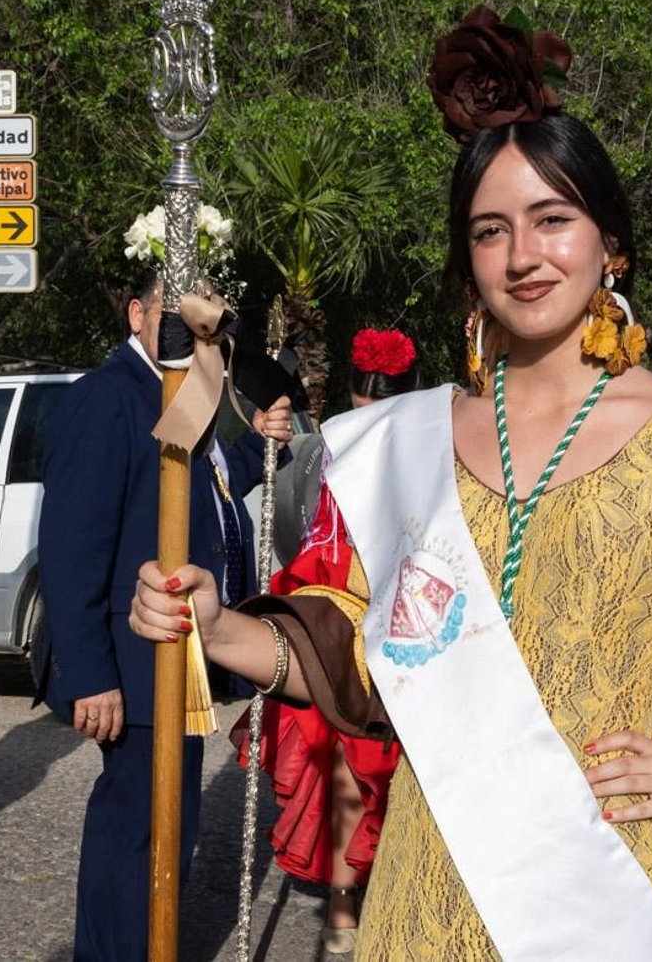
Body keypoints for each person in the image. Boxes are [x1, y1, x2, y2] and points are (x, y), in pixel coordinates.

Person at [129, 7, 652, 961]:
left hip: (606, 895)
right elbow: (364, 664)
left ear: (609, 242)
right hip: (421, 898)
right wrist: (218, 627)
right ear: (468, 263)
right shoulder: (407, 442)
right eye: (491, 231)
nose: (523, 255)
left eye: (553, 220)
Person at [35, 268, 293, 962]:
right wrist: (90, 673)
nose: (187, 333)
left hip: (180, 651)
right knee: (135, 833)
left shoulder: (183, 395)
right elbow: (71, 546)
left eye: (199, 322)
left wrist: (260, 442)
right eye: (172, 317)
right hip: (133, 658)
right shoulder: (107, 397)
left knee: (168, 829)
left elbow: (205, 492)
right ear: (136, 315)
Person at [234, 327, 420, 955]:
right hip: (338, 608)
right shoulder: (339, 443)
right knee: (349, 755)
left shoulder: (422, 443)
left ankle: (388, 888)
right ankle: (344, 902)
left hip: (401, 607)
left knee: (398, 761)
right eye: (361, 408)